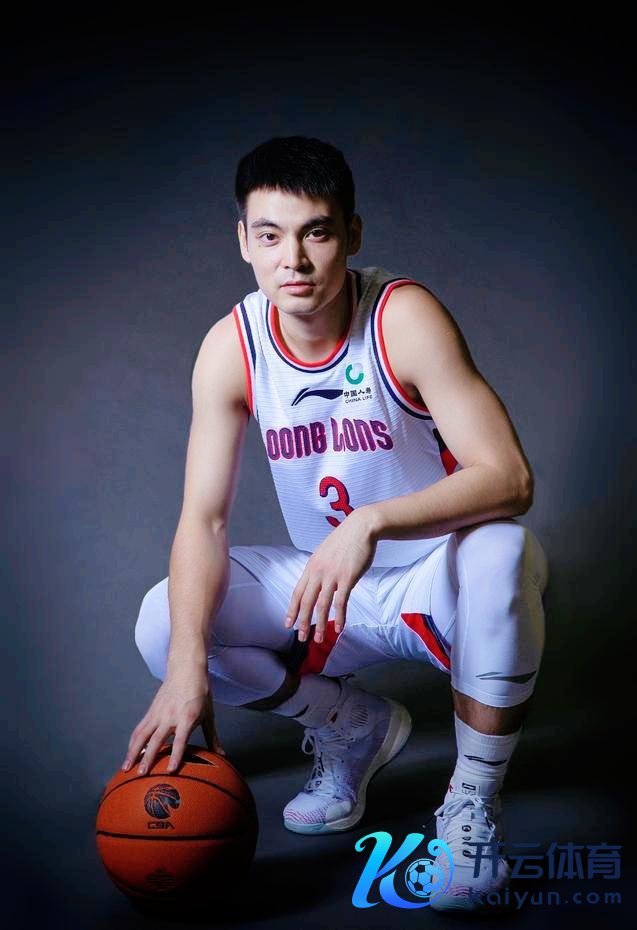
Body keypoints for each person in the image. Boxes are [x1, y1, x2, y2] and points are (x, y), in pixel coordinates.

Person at [123, 135, 549, 914]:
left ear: (350, 234)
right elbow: (203, 521)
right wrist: (186, 672)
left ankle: (470, 803)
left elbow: (509, 478)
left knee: (504, 551)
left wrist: (370, 523)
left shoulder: (401, 316)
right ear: (243, 242)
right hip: (330, 596)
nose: (293, 259)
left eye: (315, 232)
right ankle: (350, 726)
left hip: (436, 578)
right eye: (269, 235)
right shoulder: (231, 347)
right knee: (164, 623)